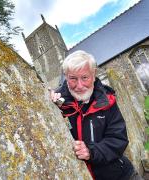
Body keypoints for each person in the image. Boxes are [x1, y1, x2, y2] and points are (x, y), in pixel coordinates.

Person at [50, 50, 142, 180]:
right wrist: (50, 107)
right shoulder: (57, 101)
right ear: (66, 76)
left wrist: (91, 152)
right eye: (73, 79)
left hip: (120, 175)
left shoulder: (107, 100)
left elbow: (118, 139)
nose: (79, 86)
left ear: (93, 75)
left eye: (85, 77)